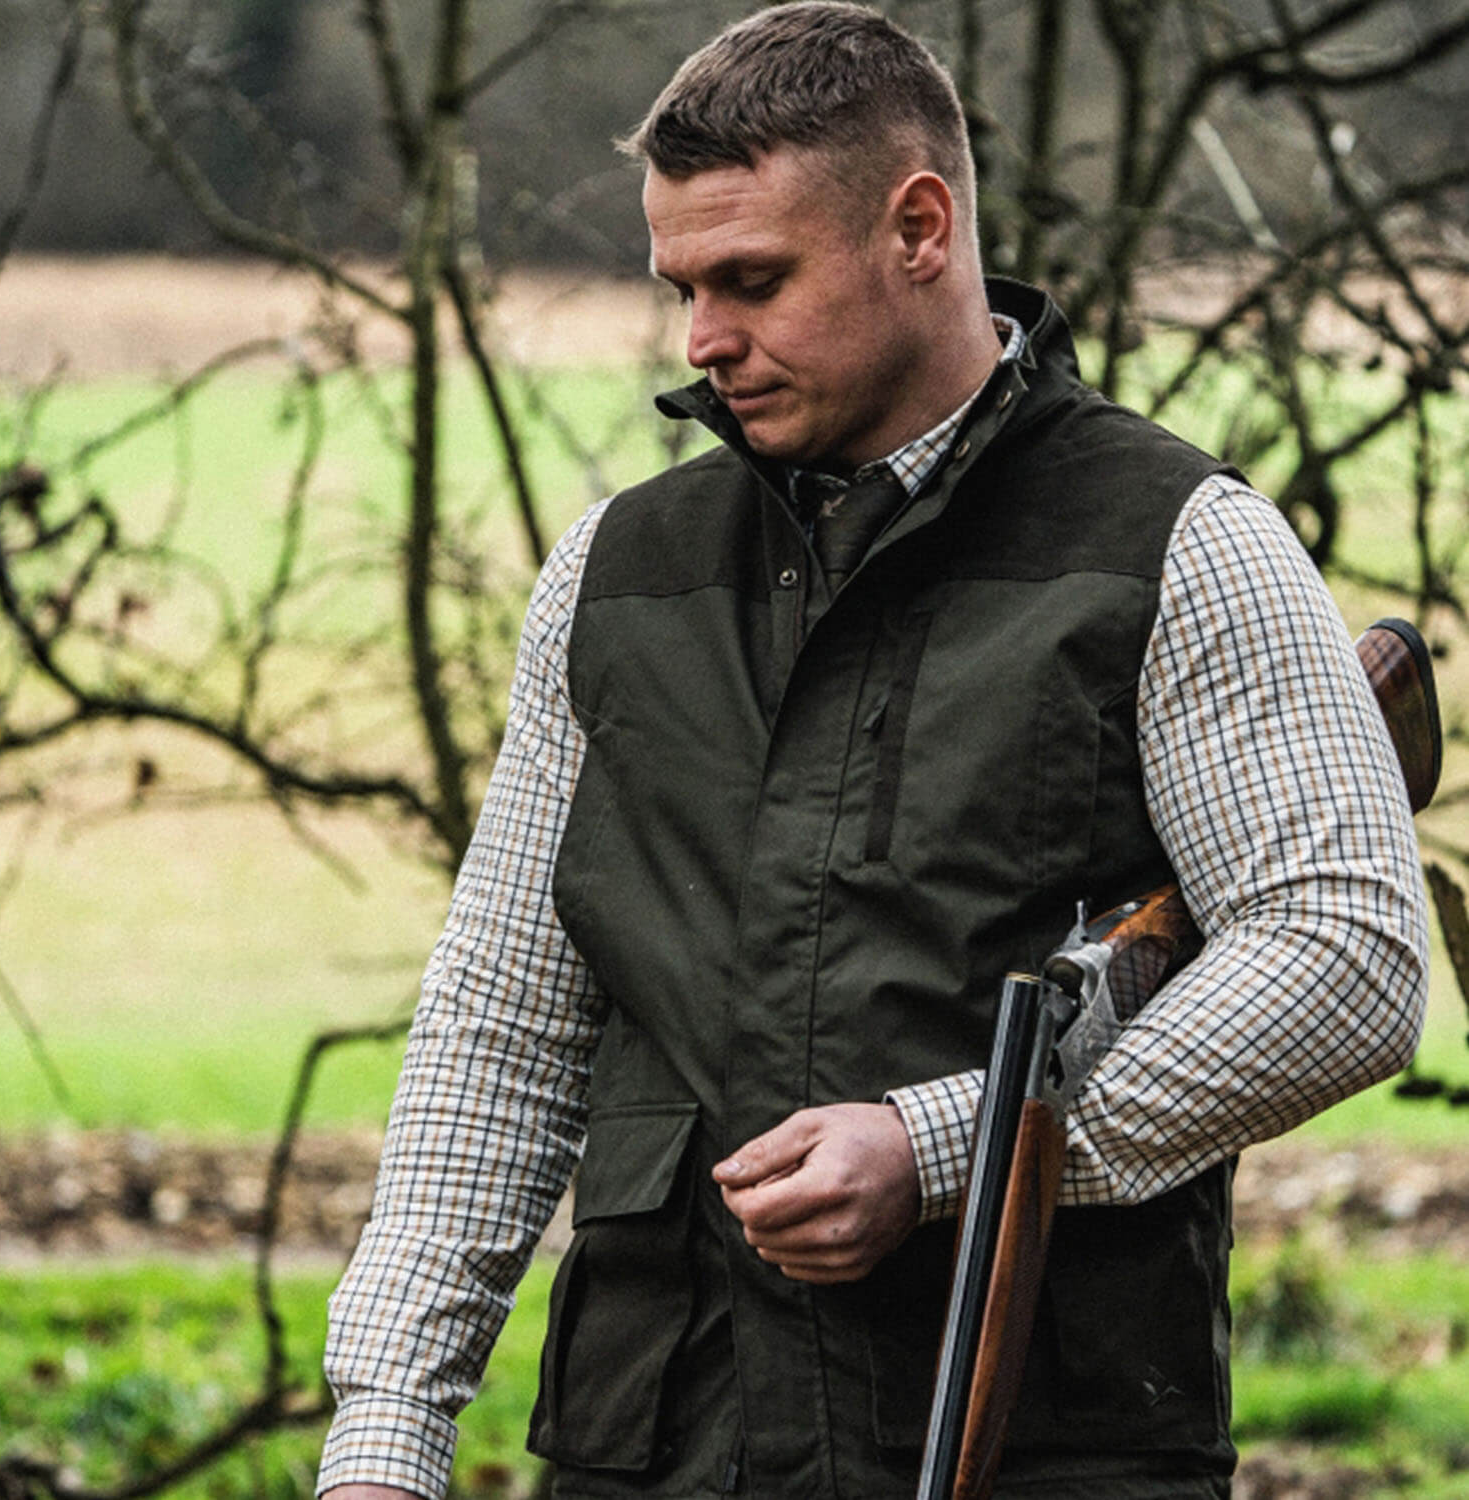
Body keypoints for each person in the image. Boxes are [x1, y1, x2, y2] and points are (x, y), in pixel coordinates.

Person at [315, 6, 1428, 1498]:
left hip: (1032, 1453)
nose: (704, 341)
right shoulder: (616, 576)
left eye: (753, 281)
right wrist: (386, 1434)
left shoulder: (1177, 545)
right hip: (659, 1452)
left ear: (919, 227)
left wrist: (943, 1151)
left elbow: (1347, 960)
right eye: (683, 288)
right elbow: (501, 1028)